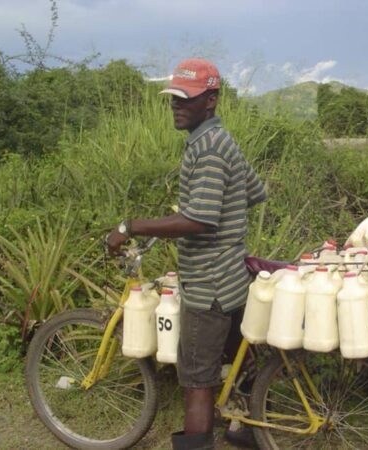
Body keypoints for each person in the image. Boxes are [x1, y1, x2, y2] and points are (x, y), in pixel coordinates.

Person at [107, 58, 267, 450]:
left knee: (197, 382)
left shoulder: (208, 149)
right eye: (174, 98)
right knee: (236, 357)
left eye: (186, 98)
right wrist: (224, 220)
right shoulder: (220, 139)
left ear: (211, 99)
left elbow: (199, 220)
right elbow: (254, 191)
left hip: (208, 285)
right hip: (232, 276)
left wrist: (133, 226)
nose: (176, 105)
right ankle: (246, 429)